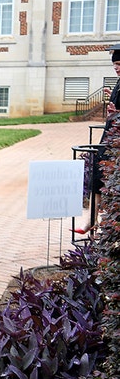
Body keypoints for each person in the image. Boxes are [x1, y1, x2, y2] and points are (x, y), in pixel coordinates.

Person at [76, 44, 120, 235]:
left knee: (108, 181)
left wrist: (117, 112)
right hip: (110, 137)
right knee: (97, 177)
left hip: (116, 141)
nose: (116, 68)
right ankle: (91, 221)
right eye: (114, 65)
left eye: (119, 63)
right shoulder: (119, 82)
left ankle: (101, 225)